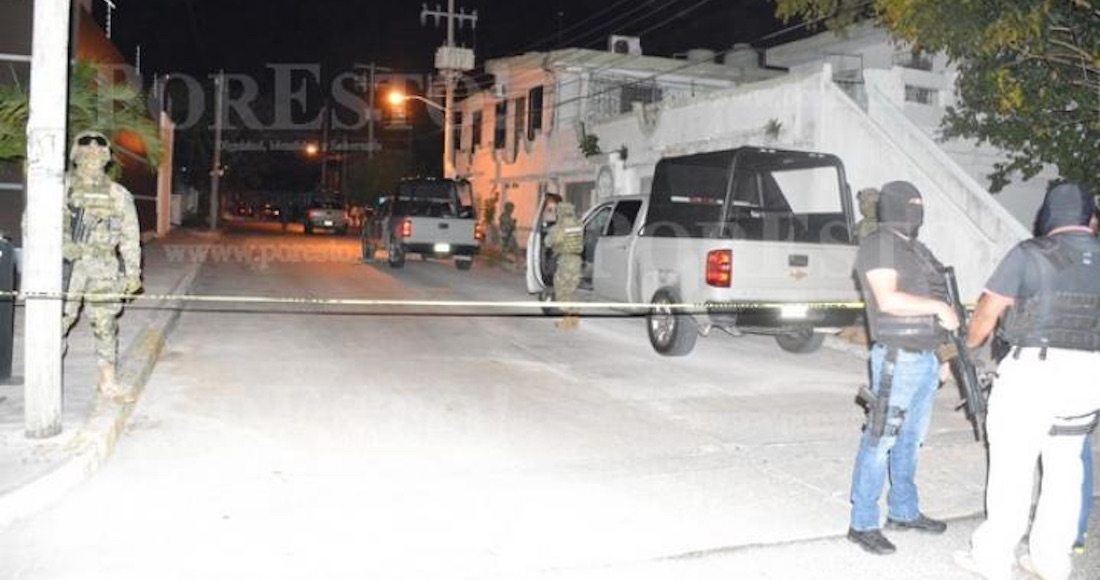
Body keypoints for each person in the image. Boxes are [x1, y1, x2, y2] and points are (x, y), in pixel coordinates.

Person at [955, 182, 1100, 580]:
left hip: (1034, 374)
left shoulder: (1029, 253)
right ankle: (1051, 561)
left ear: (1049, 214)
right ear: (1089, 216)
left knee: (1012, 467)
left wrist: (967, 346)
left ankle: (993, 558)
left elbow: (987, 313)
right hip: (1088, 377)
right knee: (1065, 471)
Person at [847, 180, 956, 555]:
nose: (915, 210)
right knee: (881, 440)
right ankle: (863, 522)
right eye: (910, 204)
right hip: (897, 358)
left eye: (919, 204)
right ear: (892, 207)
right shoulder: (877, 244)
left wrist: (943, 356)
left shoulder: (917, 249)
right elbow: (888, 299)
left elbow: (935, 299)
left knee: (911, 441)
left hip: (925, 358)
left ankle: (904, 512)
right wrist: (940, 309)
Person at [62, 131, 142, 402]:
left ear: (106, 158)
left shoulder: (119, 195)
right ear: (76, 156)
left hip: (104, 267)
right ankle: (45, 378)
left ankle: (108, 382)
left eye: (98, 153)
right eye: (87, 152)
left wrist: (132, 273)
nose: (92, 156)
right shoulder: (59, 188)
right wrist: (62, 245)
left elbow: (130, 237)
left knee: (105, 324)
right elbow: (32, 223)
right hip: (67, 267)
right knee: (57, 322)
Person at [546, 201, 583, 330]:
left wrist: (550, 236)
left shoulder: (559, 227)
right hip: (577, 260)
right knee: (572, 291)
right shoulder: (578, 225)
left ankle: (567, 321)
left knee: (562, 291)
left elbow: (550, 242)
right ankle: (573, 320)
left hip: (565, 260)